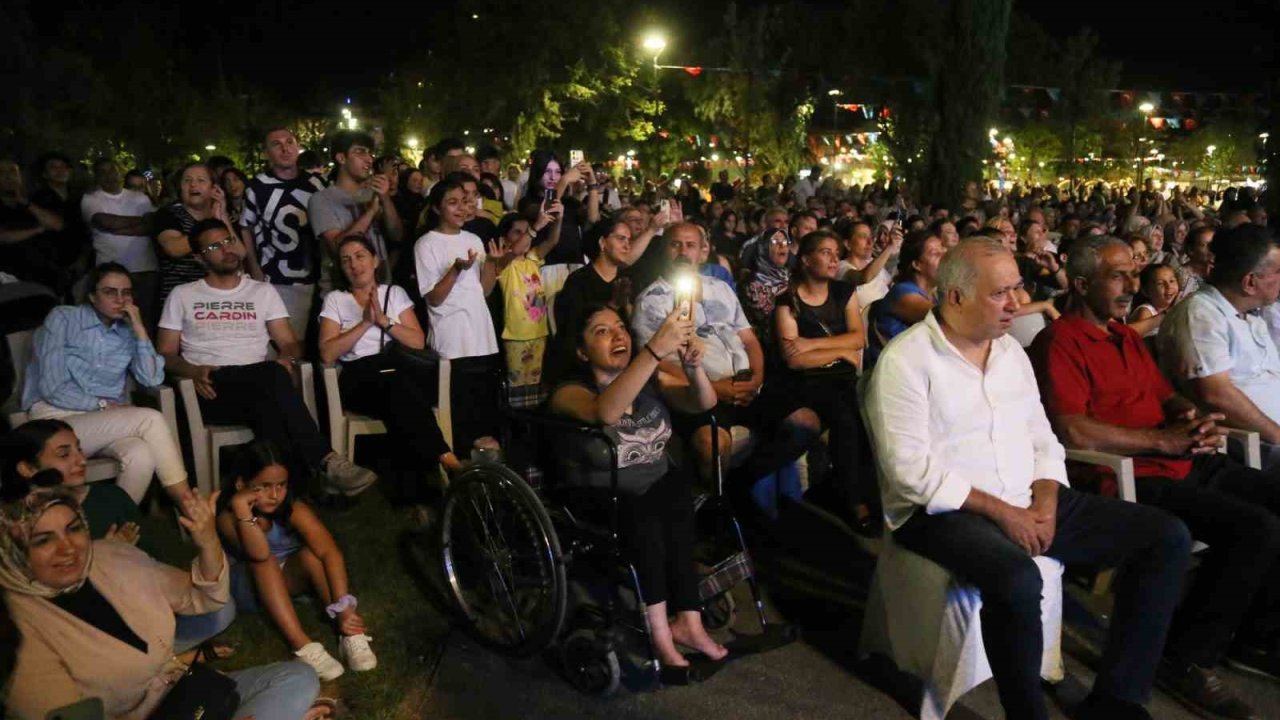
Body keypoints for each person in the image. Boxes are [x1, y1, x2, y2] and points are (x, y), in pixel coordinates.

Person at [866, 237, 1192, 720]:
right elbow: (911, 472)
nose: (1018, 303)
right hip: (945, 510)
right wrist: (1005, 513)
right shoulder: (906, 361)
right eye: (1001, 293)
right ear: (955, 297)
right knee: (1017, 579)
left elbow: (1043, 440)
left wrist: (1044, 501)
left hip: (1024, 496)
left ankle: (1118, 699)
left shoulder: (1009, 354)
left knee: (1166, 537)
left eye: (1018, 288)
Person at [1029, 235, 1280, 718]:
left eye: (1132, 273)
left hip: (1183, 458)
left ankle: (1253, 636)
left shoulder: (1124, 336)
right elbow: (1072, 427)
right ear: (1081, 284)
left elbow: (1166, 395)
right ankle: (1187, 657)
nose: (1130, 285)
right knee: (1256, 528)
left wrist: (1192, 417)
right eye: (1117, 275)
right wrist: (1164, 441)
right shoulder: (1059, 341)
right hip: (1131, 475)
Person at [0, 483, 321, 720]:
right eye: (43, 540)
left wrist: (207, 541)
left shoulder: (112, 556)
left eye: (74, 529)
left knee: (298, 678)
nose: (68, 548)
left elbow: (204, 598)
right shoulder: (15, 626)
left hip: (183, 693)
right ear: (13, 550)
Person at [551, 303, 728, 675]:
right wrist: (652, 352)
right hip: (602, 497)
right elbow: (605, 412)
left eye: (620, 327)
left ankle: (689, 623)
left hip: (657, 487)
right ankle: (660, 634)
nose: (618, 335)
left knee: (676, 499)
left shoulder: (650, 381)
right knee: (646, 515)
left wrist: (693, 368)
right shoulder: (569, 392)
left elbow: (704, 402)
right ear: (582, 352)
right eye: (602, 331)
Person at [158, 218, 377, 497]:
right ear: (200, 258)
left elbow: (289, 343)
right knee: (272, 379)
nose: (226, 249)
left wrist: (286, 357)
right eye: (214, 246)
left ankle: (291, 492)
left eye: (227, 241)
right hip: (210, 388)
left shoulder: (261, 291)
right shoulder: (183, 295)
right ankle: (325, 463)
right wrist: (192, 370)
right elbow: (164, 354)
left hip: (259, 386)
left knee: (271, 401)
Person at [632, 223, 813, 484]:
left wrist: (758, 378)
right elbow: (652, 362)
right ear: (664, 251)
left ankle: (742, 485)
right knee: (712, 446)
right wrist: (714, 387)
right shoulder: (651, 300)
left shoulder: (721, 288)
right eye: (675, 244)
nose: (683, 251)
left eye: (691, 245)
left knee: (806, 423)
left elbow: (749, 339)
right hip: (696, 393)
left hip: (746, 384)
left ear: (702, 252)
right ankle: (713, 509)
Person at [21, 263, 191, 506]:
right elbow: (52, 387)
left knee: (140, 455)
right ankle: (188, 505)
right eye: (110, 292)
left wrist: (140, 330)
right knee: (150, 419)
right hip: (55, 417)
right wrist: (102, 405)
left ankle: (115, 526)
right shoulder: (64, 318)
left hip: (107, 422)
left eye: (126, 293)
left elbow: (152, 379)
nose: (120, 300)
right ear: (92, 295)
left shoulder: (128, 329)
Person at [217, 441, 376, 681]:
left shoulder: (293, 508)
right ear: (242, 484)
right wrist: (242, 509)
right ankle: (302, 646)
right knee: (266, 560)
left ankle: (349, 633)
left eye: (281, 485)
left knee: (311, 556)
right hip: (249, 586)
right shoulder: (229, 517)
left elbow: (329, 552)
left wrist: (344, 605)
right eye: (264, 486)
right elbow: (259, 555)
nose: (275, 495)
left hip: (287, 578)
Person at [319, 235, 460, 495]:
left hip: (397, 372)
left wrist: (385, 322)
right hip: (359, 376)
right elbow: (327, 353)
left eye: (360, 256)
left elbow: (417, 341)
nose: (354, 264)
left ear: (374, 261)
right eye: (346, 260)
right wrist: (364, 323)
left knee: (399, 395)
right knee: (401, 391)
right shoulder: (336, 299)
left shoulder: (394, 293)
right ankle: (447, 461)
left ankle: (416, 493)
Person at [774, 230, 877, 529]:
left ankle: (854, 489)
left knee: (865, 414)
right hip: (807, 381)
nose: (834, 259)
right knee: (845, 417)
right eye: (825, 252)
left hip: (842, 378)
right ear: (806, 259)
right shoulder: (788, 301)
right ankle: (853, 502)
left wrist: (810, 343)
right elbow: (794, 359)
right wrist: (839, 351)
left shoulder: (844, 292)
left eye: (836, 252)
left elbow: (858, 339)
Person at [1158, 224, 1280, 466]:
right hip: (1251, 445)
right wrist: (1277, 434)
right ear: (1250, 282)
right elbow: (1215, 395)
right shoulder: (1200, 314)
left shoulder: (1250, 316)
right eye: (1278, 272)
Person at [414, 178, 503, 454]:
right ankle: (459, 469)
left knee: (484, 410)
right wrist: (455, 269)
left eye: (464, 202)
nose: (461, 209)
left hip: (481, 335)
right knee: (459, 412)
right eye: (452, 203)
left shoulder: (473, 239)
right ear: (437, 209)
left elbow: (484, 290)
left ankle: (487, 471)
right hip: (452, 339)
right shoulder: (426, 244)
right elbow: (434, 297)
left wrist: (494, 264)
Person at [239, 127, 329, 344]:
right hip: (277, 278)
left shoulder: (315, 184)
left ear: (297, 147)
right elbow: (246, 227)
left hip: (315, 276)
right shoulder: (256, 187)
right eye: (276, 144)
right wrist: (255, 267)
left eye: (289, 142)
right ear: (266, 152)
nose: (285, 148)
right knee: (286, 344)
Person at [308, 130, 403, 296]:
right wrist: (372, 211)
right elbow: (337, 246)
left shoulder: (373, 194)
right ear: (341, 158)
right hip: (342, 295)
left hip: (381, 291)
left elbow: (397, 235)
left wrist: (385, 199)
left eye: (370, 153)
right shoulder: (321, 200)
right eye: (360, 152)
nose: (369, 159)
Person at [493, 206, 562, 401]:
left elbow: (552, 240)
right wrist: (534, 228)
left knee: (536, 391)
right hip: (516, 335)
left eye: (526, 232)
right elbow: (513, 251)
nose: (525, 236)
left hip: (539, 332)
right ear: (505, 238)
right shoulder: (504, 263)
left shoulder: (532, 259)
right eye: (517, 232)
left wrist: (559, 218)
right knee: (517, 392)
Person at [80, 159, 158, 326]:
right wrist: (140, 221)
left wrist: (117, 228)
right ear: (96, 176)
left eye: (113, 170)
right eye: (103, 171)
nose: (109, 175)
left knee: (146, 321)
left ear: (121, 172)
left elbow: (152, 225)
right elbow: (104, 222)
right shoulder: (90, 198)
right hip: (110, 271)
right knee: (114, 322)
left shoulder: (140, 197)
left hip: (145, 268)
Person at [863, 229, 945, 372]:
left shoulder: (934, 295)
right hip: (893, 379)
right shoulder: (902, 294)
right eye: (935, 253)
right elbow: (947, 319)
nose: (944, 257)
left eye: (943, 251)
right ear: (917, 264)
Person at [153, 162, 229, 312]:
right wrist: (209, 230)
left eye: (201, 180)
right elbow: (174, 248)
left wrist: (223, 217)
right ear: (180, 188)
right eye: (187, 181)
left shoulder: (222, 216)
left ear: (214, 189)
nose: (193, 185)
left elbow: (238, 252)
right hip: (178, 302)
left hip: (217, 301)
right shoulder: (167, 214)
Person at [0, 157, 65, 294]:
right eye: (2, 172)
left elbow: (57, 225)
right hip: (10, 281)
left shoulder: (36, 200)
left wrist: (25, 203)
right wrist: (38, 230)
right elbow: (3, 236)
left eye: (12, 171)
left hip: (47, 279)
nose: (8, 176)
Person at [739, 227, 791, 352]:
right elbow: (768, 319)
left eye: (785, 242)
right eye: (774, 242)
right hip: (766, 346)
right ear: (762, 248)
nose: (781, 245)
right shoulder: (753, 284)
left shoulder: (790, 275)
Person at [1126, 262, 1180, 338]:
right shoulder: (1146, 310)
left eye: (1172, 281)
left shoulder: (1177, 308)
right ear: (1146, 291)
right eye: (1160, 283)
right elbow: (1137, 338)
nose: (1169, 286)